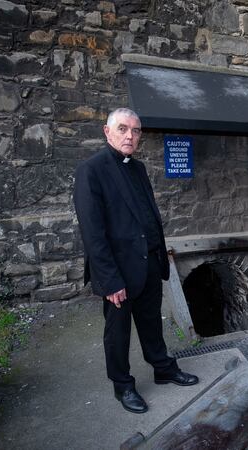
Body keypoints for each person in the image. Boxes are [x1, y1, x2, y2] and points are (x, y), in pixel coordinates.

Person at [73, 107, 198, 414]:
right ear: (107, 131)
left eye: (136, 130)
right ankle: (123, 385)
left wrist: (160, 258)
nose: (130, 135)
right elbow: (93, 232)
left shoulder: (138, 168)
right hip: (119, 271)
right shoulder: (92, 169)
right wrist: (109, 280)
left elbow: (147, 217)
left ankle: (163, 368)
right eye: (123, 129)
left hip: (149, 264)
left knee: (151, 322)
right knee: (118, 333)